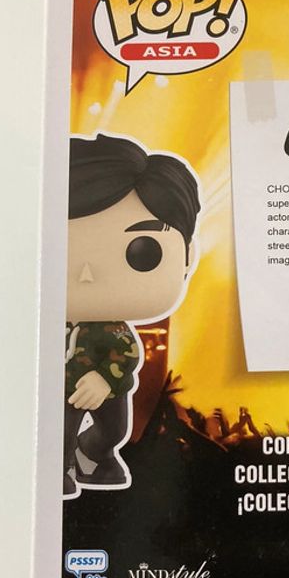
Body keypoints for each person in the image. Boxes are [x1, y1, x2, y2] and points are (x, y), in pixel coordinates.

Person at [64, 133, 201, 499]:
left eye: (143, 252)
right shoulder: (45, 325)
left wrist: (105, 380)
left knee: (115, 430)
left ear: (188, 256)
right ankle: (59, 466)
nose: (86, 274)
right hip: (59, 389)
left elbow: (127, 354)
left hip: (107, 386)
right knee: (58, 431)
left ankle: (94, 454)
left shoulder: (115, 331)